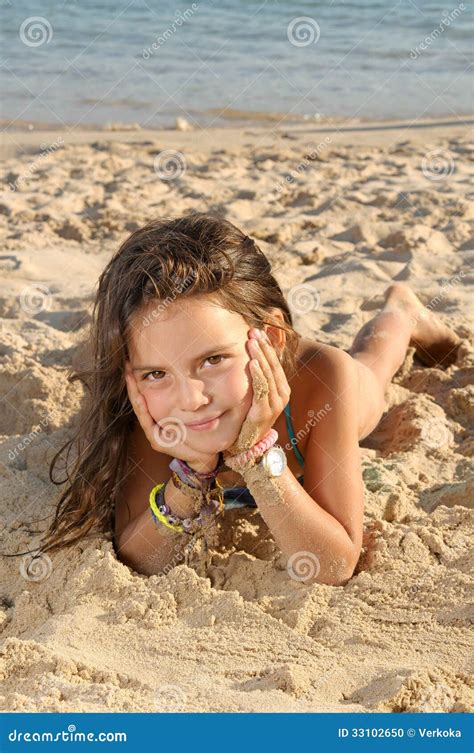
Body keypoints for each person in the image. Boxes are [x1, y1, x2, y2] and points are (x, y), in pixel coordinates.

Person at [35, 213, 462, 586]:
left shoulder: (322, 382)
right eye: (157, 372)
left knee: (370, 369)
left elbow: (333, 564)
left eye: (213, 359)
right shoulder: (153, 407)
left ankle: (401, 312)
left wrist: (255, 457)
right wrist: (190, 477)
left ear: (271, 339)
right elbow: (138, 557)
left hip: (324, 395)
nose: (192, 398)